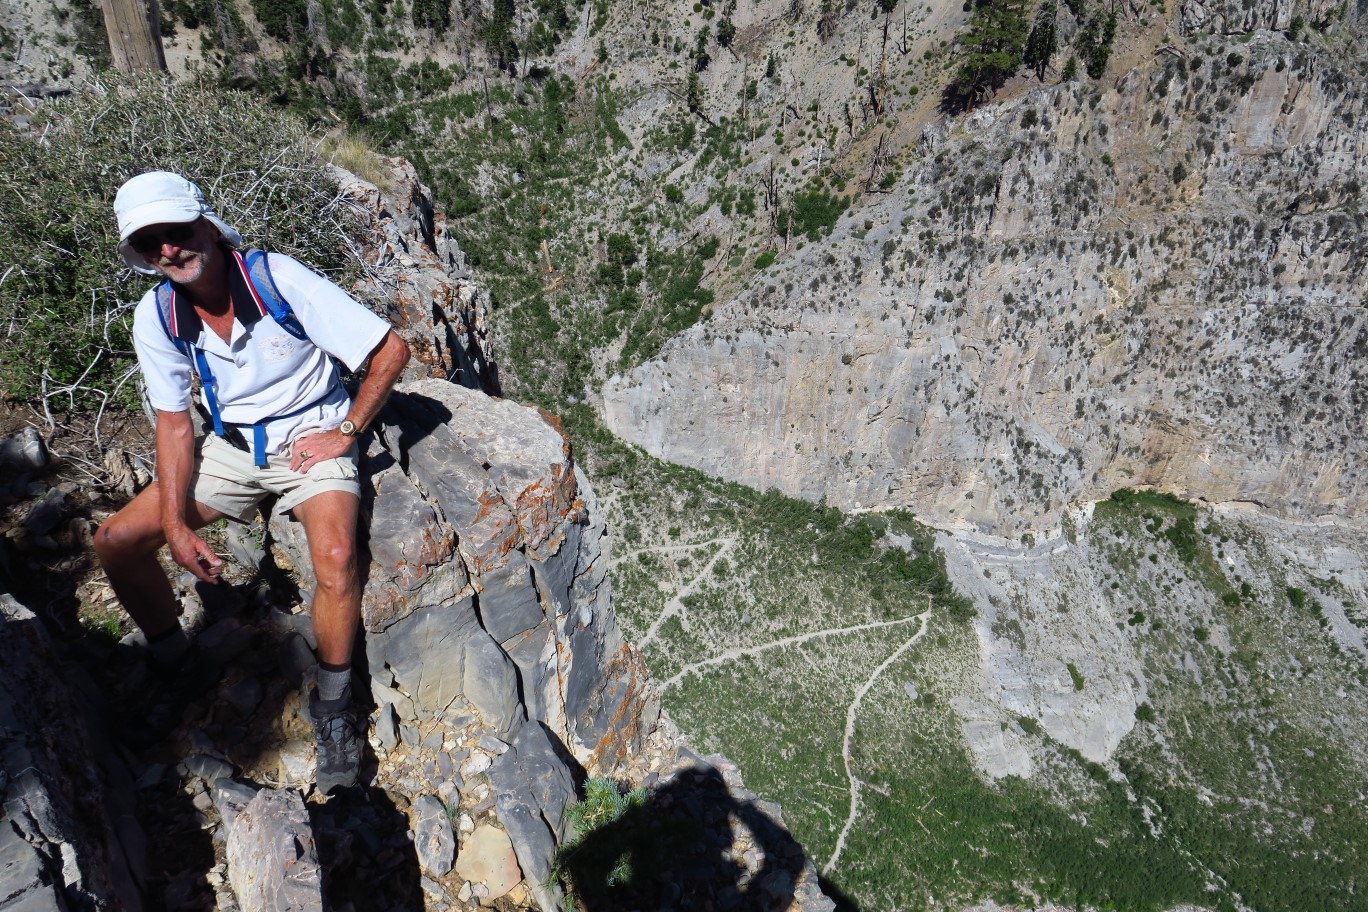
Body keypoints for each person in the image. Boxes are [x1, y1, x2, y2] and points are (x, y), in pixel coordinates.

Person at [94, 171, 411, 793]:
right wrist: (175, 524)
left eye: (176, 232)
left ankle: (334, 705)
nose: (168, 248)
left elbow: (389, 351)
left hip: (308, 442)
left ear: (206, 227)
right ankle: (174, 661)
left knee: (338, 558)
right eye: (150, 241)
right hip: (232, 449)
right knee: (116, 541)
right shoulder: (158, 316)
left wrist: (345, 430)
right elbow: (174, 424)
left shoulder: (274, 279)